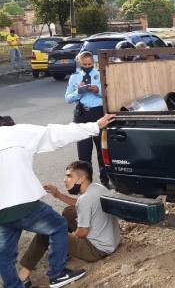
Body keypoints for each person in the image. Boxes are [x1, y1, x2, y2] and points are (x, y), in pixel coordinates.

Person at [0, 114, 115, 288]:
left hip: (2, 211)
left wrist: (59, 195)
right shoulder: (16, 132)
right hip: (22, 201)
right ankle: (57, 274)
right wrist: (95, 126)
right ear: (10, 125)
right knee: (57, 226)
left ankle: (14, 284)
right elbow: (57, 133)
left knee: (4, 254)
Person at [18, 161, 120, 287]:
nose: (65, 180)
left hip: (96, 250)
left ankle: (26, 276)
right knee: (69, 212)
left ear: (81, 178)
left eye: (69, 176)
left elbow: (82, 232)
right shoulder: (97, 188)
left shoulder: (85, 200)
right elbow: (80, 204)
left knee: (47, 233)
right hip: (111, 241)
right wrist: (59, 195)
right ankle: (63, 251)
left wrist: (60, 238)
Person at [65, 51, 108, 187]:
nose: (87, 66)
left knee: (102, 151)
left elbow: (110, 93)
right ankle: (85, 183)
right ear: (80, 63)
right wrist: (78, 92)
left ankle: (105, 182)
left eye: (90, 64)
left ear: (93, 63)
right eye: (85, 64)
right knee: (84, 153)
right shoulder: (75, 77)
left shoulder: (100, 74)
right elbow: (67, 98)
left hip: (98, 114)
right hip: (82, 115)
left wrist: (98, 90)